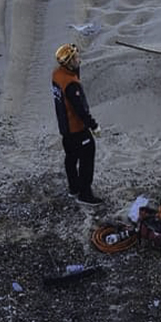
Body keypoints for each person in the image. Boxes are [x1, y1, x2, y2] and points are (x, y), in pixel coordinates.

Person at [51, 43, 103, 206]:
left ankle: (73, 188)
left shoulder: (57, 75)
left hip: (65, 129)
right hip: (77, 129)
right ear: (69, 62)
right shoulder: (71, 85)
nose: (78, 59)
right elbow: (80, 109)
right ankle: (85, 194)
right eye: (75, 57)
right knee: (87, 158)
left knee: (71, 158)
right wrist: (93, 126)